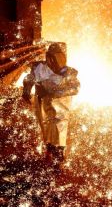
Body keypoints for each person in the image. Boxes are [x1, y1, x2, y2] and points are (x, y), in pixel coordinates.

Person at [22, 43, 80, 174]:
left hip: (60, 105)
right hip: (42, 102)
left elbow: (76, 88)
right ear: (49, 57)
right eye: (54, 57)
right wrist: (26, 90)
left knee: (59, 129)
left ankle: (58, 160)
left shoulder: (68, 72)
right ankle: (49, 152)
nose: (56, 61)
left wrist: (57, 93)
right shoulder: (40, 68)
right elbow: (29, 78)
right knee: (45, 128)